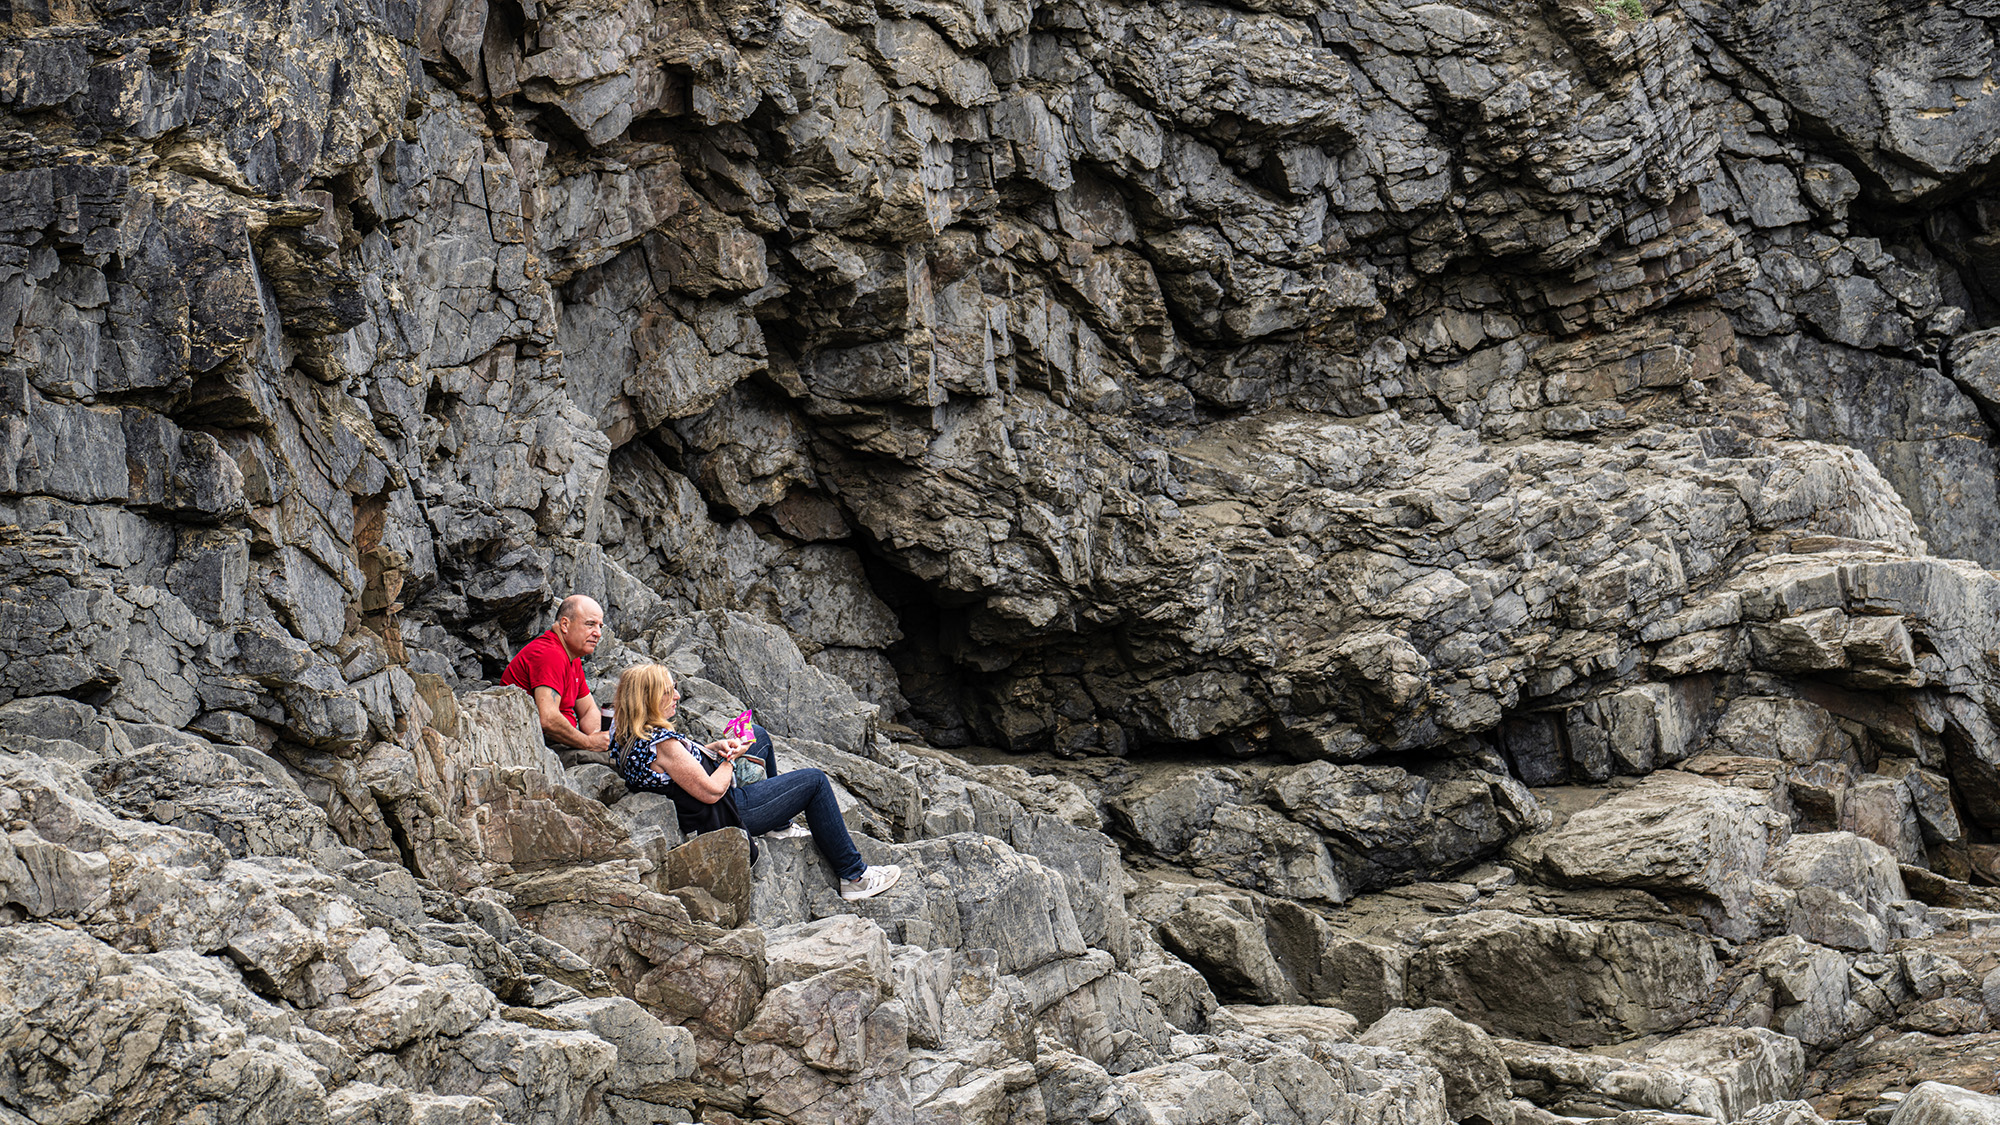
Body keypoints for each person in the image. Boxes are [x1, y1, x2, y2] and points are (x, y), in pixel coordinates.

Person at [611, 663, 902, 902]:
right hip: (725, 814)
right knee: (814, 781)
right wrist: (730, 759)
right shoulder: (664, 745)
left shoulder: (627, 733)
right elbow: (711, 791)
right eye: (667, 691)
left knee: (757, 735)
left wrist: (714, 748)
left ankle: (780, 826)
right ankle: (855, 877)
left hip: (708, 796)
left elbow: (680, 766)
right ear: (647, 699)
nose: (676, 695)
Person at [502, 594, 612, 766]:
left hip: (559, 742)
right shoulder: (550, 654)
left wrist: (600, 737)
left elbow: (587, 709)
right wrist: (589, 743)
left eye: (600, 626)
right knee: (623, 762)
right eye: (590, 624)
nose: (597, 633)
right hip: (536, 748)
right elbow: (548, 719)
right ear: (565, 625)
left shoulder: (572, 657)